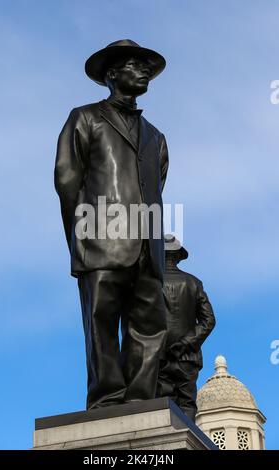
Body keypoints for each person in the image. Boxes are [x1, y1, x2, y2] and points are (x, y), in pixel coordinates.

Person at [55, 40, 169, 409]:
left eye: (146, 67)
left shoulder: (156, 137)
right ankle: (106, 400)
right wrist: (81, 236)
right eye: (134, 65)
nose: (143, 71)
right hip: (100, 239)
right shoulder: (84, 117)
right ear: (112, 75)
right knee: (101, 322)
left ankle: (140, 402)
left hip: (146, 247)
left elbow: (155, 186)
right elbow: (67, 179)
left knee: (149, 328)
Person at [156, 235, 216, 421]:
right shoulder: (194, 283)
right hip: (187, 356)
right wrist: (185, 343)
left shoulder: (150, 283)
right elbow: (209, 320)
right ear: (177, 257)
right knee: (187, 403)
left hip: (159, 355)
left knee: (162, 403)